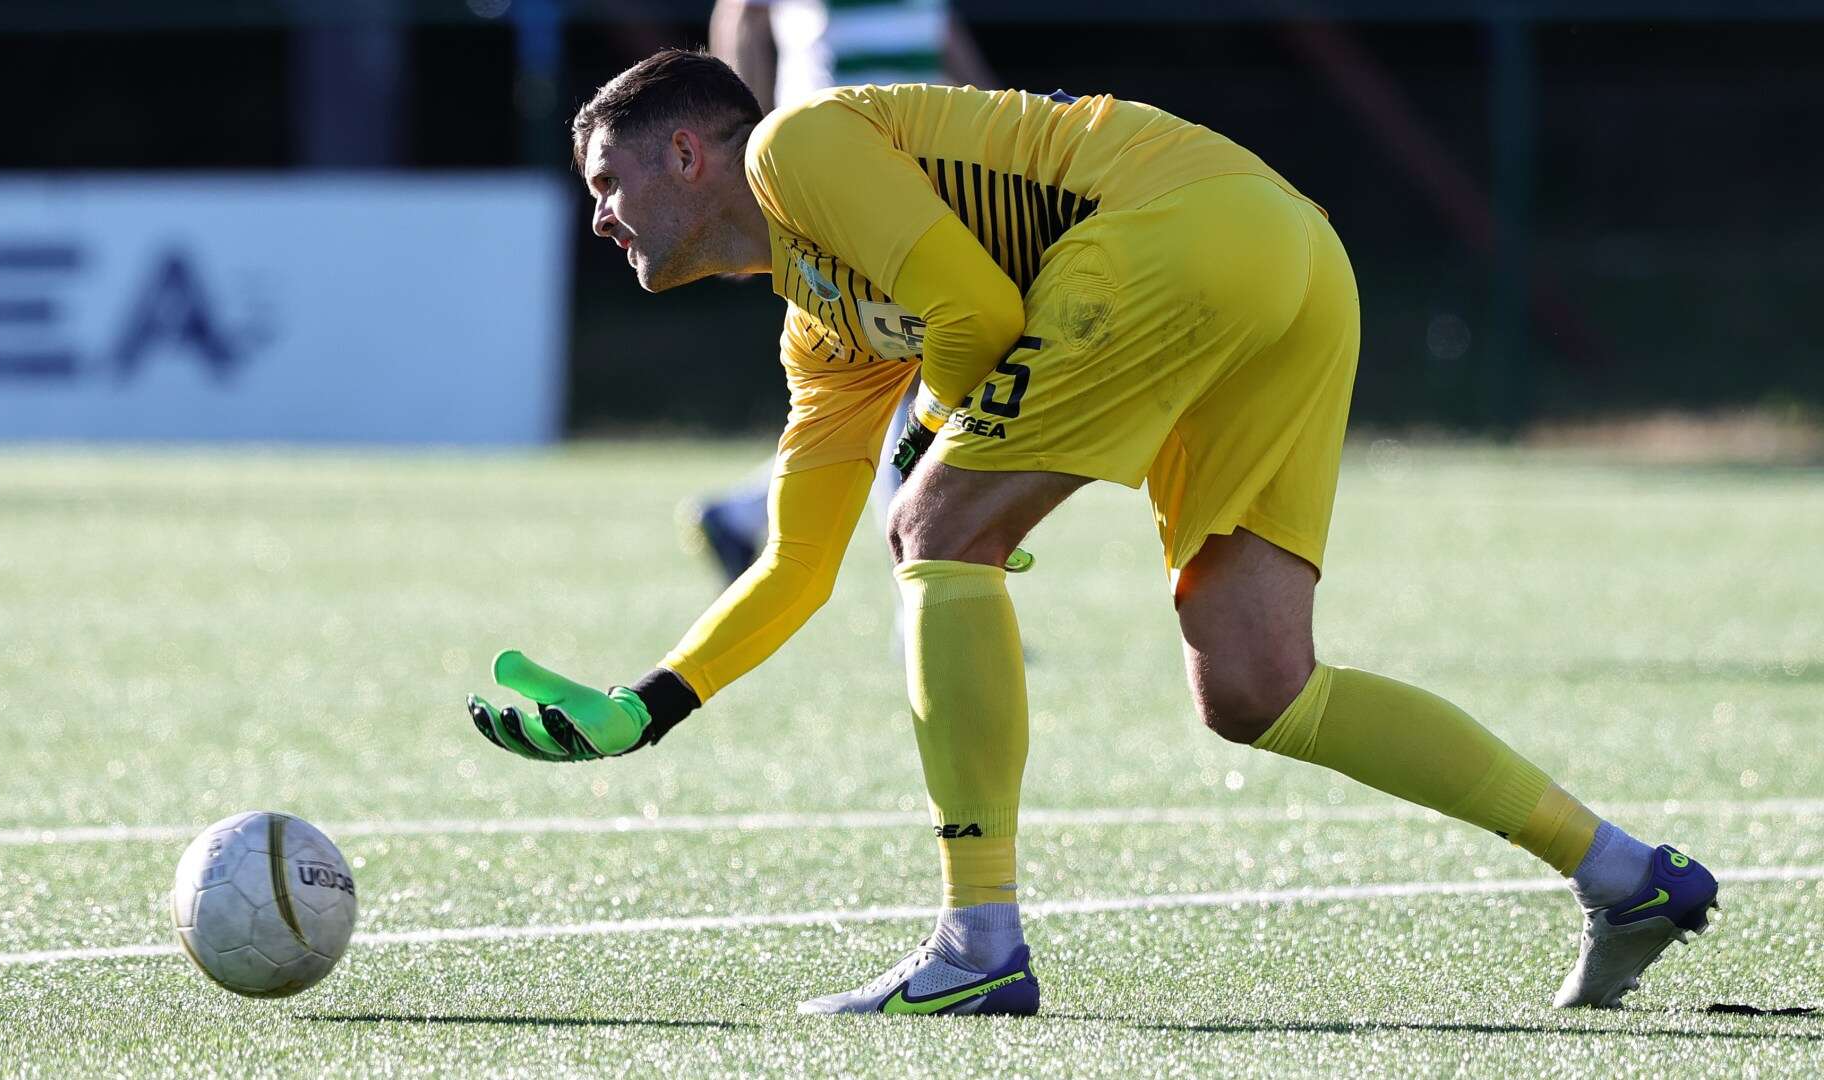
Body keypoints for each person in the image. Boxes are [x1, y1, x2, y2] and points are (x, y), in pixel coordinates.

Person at [467, 49, 1719, 1016]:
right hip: (1289, 259)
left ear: (688, 153)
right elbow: (797, 566)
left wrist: (935, 461)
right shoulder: (821, 327)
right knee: (1255, 684)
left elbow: (972, 306)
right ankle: (1620, 872)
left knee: (938, 530)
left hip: (1178, 237)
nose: (599, 220)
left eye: (607, 182)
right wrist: (650, 704)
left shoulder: (796, 149)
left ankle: (977, 946)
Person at [689, 0, 996, 580]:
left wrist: (1002, 123)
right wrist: (740, 171)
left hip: (920, 166)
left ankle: (744, 514)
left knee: (900, 375)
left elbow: (941, 31)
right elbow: (743, 17)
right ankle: (923, 590)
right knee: (913, 372)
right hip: (832, 166)